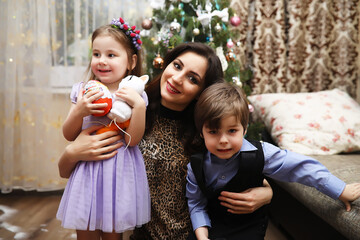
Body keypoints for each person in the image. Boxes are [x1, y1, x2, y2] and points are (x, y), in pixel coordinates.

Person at [58, 42, 274, 240]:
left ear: (201, 92)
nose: (178, 78)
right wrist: (71, 153)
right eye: (177, 66)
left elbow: (245, 168)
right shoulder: (129, 114)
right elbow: (69, 172)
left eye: (193, 78)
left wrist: (268, 192)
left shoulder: (207, 132)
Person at [186, 82, 360, 240]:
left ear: (244, 129)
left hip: (248, 228)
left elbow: (302, 168)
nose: (223, 140)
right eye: (213, 132)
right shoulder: (196, 166)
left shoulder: (263, 154)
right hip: (211, 227)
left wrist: (340, 189)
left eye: (232, 131)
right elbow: (196, 204)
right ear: (202, 132)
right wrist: (202, 237)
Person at [56, 17, 151, 240]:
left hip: (118, 172)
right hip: (87, 172)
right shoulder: (83, 90)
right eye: (96, 54)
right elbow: (69, 134)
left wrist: (138, 106)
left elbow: (133, 140)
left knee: (112, 235)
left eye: (111, 55)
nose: (101, 60)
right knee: (85, 233)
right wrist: (80, 110)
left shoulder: (135, 94)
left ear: (131, 61)